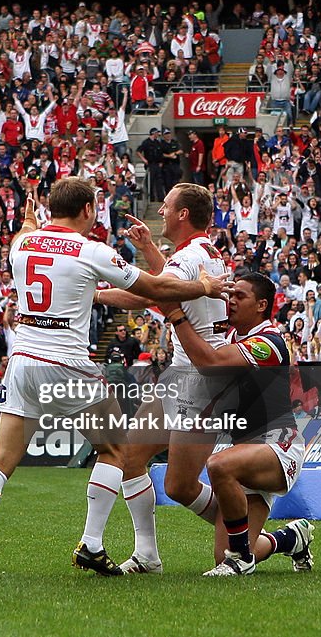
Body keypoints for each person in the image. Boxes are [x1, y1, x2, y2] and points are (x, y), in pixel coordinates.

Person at [0, 177, 232, 579]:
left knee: (1, 460)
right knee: (118, 452)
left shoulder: (21, 245)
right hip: (68, 364)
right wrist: (203, 286)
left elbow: (26, 232)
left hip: (22, 363)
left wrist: (30, 221)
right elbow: (152, 287)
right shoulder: (90, 250)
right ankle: (93, 544)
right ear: (87, 210)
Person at [97, 183, 233, 574]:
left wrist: (93, 293)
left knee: (180, 487)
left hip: (201, 380)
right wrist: (149, 250)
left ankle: (241, 527)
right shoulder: (197, 253)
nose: (161, 213)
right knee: (129, 457)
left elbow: (151, 293)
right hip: (179, 373)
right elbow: (169, 283)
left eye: (167, 206)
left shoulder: (192, 256)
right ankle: (147, 555)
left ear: (183, 215)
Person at [158, 271, 314, 576]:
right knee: (226, 554)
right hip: (244, 451)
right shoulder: (230, 338)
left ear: (261, 305)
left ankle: (240, 556)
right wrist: (149, 249)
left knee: (218, 465)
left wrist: (176, 314)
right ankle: (292, 538)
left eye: (240, 296)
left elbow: (210, 364)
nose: (230, 301)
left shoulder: (269, 342)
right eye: (230, 294)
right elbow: (170, 277)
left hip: (277, 446)